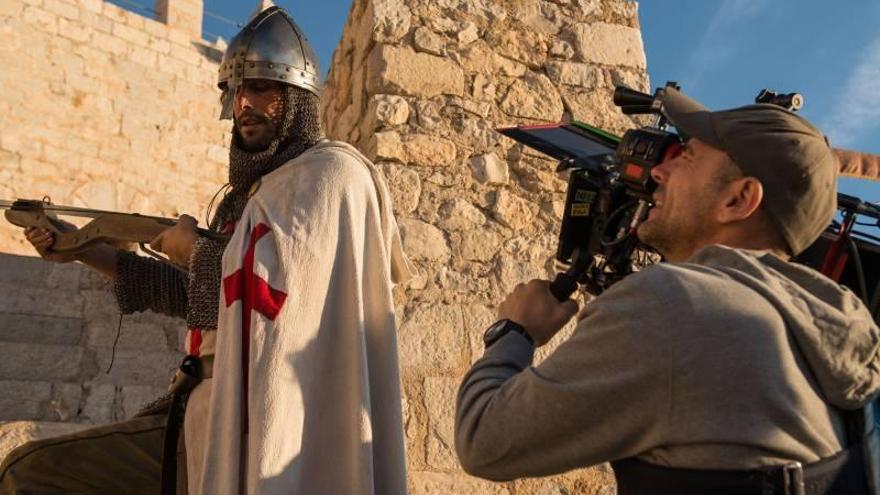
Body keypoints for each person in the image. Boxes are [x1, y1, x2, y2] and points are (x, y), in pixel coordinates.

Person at [1, 6, 409, 495]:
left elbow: (282, 298)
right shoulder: (251, 196)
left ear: (296, 96)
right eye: (236, 91)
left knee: (31, 475)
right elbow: (212, 301)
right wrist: (82, 249)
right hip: (204, 406)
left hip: (267, 417)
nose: (245, 104)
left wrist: (195, 248)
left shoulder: (332, 176)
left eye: (261, 87)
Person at [454, 88, 880, 494]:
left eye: (689, 158)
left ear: (738, 199)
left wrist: (514, 331)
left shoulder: (675, 303)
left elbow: (485, 440)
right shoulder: (832, 331)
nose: (660, 170)